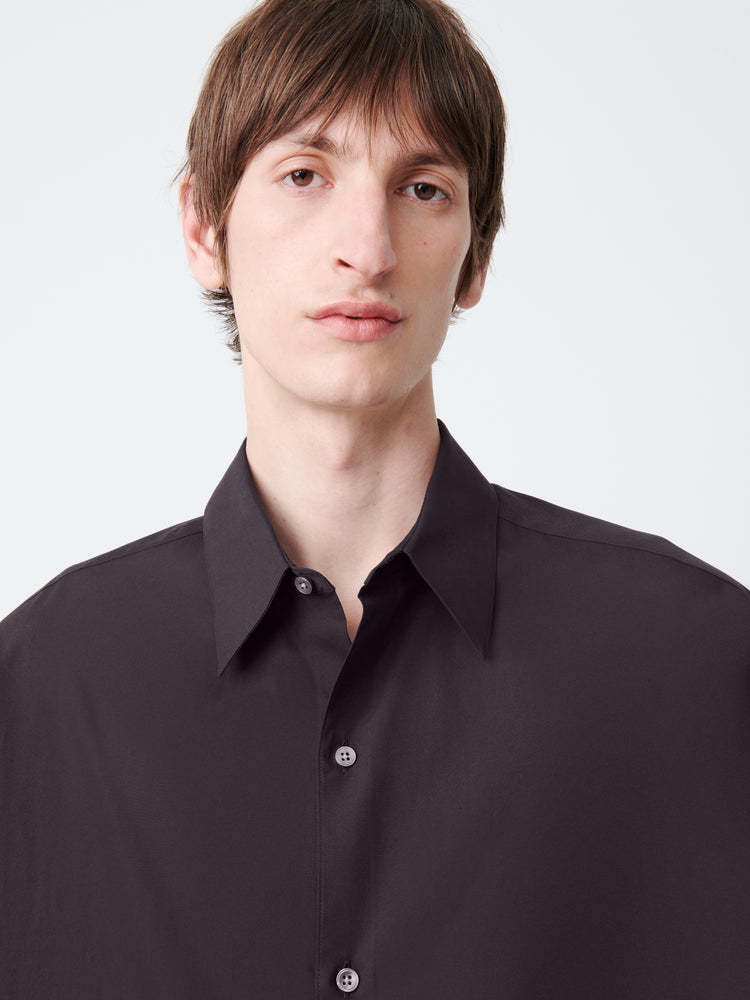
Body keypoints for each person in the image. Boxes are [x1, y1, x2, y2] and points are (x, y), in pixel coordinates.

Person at [1, 0, 748, 996]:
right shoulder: (43, 688)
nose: (368, 246)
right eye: (304, 175)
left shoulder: (697, 660)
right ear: (203, 226)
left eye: (423, 188)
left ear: (476, 255)